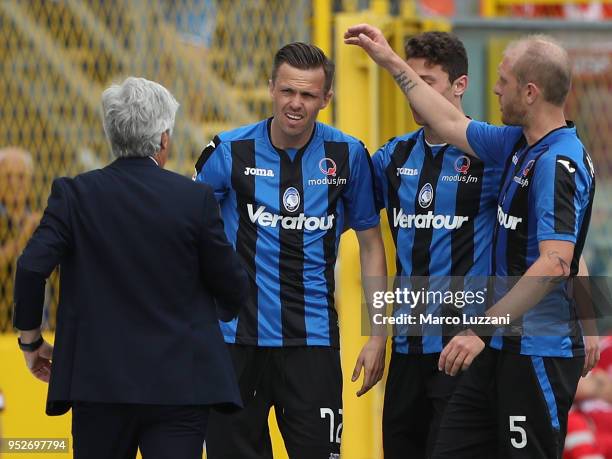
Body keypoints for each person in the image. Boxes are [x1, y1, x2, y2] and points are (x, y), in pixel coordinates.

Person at [345, 25, 596, 458]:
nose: (495, 90)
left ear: (531, 92)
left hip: (527, 341)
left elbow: (559, 261)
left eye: (504, 81)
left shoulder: (557, 162)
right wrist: (386, 59)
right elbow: (446, 119)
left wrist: (589, 321)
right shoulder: (517, 146)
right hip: (483, 342)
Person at [12, 77, 250, 459]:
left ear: (111, 133)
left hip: (98, 383)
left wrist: (31, 342)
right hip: (179, 385)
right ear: (163, 139)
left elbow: (29, 269)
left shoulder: (74, 195)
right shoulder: (194, 199)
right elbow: (232, 286)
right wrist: (210, 314)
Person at [194, 42, 387, 459]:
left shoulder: (348, 155)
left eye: (308, 95)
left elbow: (371, 246)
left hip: (311, 342)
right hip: (234, 341)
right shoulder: (229, 152)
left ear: (326, 99)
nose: (295, 104)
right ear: (270, 89)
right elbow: (190, 235)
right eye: (287, 91)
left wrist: (377, 334)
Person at [370, 31, 502, 458]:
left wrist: (588, 323)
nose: (414, 93)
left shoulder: (493, 156)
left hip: (463, 348)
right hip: (406, 348)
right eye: (408, 78)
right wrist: (375, 335)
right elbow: (365, 239)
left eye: (426, 82)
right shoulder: (391, 157)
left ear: (459, 85)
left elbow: (548, 237)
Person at [0, 148, 40, 330]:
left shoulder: (41, 221)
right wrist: (24, 236)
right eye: (8, 176)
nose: (14, 183)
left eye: (21, 177)